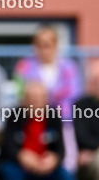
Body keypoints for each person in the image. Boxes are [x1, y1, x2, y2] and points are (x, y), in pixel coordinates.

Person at [13, 24, 82, 172]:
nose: (44, 50)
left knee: (67, 160)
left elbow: (74, 94)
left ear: (56, 46)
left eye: (48, 45)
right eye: (40, 45)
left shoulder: (69, 67)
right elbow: (19, 92)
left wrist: (48, 101)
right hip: (33, 120)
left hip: (63, 120)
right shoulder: (24, 66)